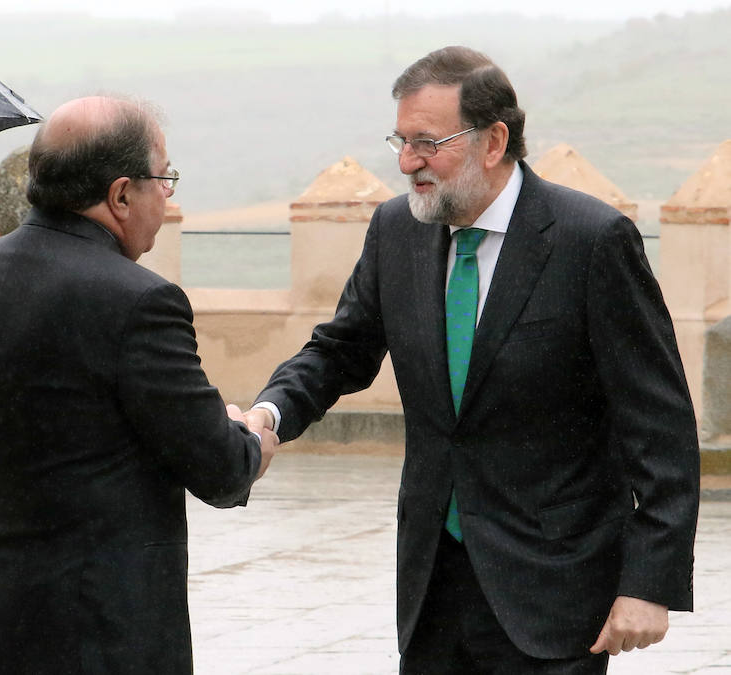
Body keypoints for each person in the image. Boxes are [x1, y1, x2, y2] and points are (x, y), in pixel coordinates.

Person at [244, 46, 699, 674]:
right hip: (432, 589)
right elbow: (339, 351)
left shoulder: (589, 241)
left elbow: (661, 424)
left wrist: (650, 582)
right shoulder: (396, 231)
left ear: (494, 141)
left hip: (554, 589)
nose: (407, 163)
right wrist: (270, 414)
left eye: (427, 144)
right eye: (400, 141)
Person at [0, 96, 277, 674]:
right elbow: (221, 470)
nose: (169, 196)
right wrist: (252, 434)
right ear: (121, 194)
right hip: (99, 636)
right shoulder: (138, 301)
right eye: (165, 179)